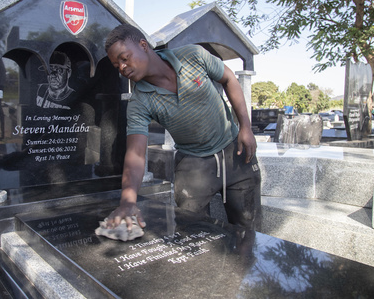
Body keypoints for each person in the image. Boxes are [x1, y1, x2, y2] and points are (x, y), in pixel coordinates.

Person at [104, 24, 261, 231]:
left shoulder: (193, 56)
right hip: (193, 166)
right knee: (195, 238)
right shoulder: (139, 103)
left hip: (236, 155)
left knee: (248, 233)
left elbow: (229, 78)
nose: (122, 68)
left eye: (124, 58)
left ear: (143, 45)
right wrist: (128, 201)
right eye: (117, 66)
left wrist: (245, 127)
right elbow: (136, 154)